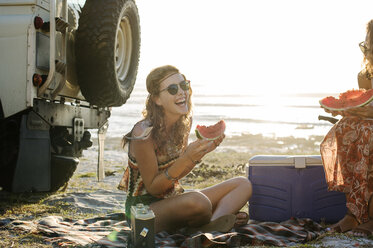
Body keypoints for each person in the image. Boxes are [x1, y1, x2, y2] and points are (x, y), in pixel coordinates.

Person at [118, 65, 252, 233]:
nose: (182, 92)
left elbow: (176, 174)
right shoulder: (143, 133)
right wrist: (187, 158)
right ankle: (215, 220)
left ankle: (214, 223)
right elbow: (153, 187)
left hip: (173, 201)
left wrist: (198, 154)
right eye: (173, 89)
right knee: (199, 202)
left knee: (243, 184)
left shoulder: (183, 124)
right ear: (157, 99)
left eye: (184, 85)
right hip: (143, 212)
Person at [320, 19, 373, 237]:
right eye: (366, 46)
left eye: (371, 46)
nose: (368, 51)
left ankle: (371, 215)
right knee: (345, 128)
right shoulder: (365, 76)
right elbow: (365, 106)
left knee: (368, 134)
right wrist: (348, 111)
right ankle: (355, 212)